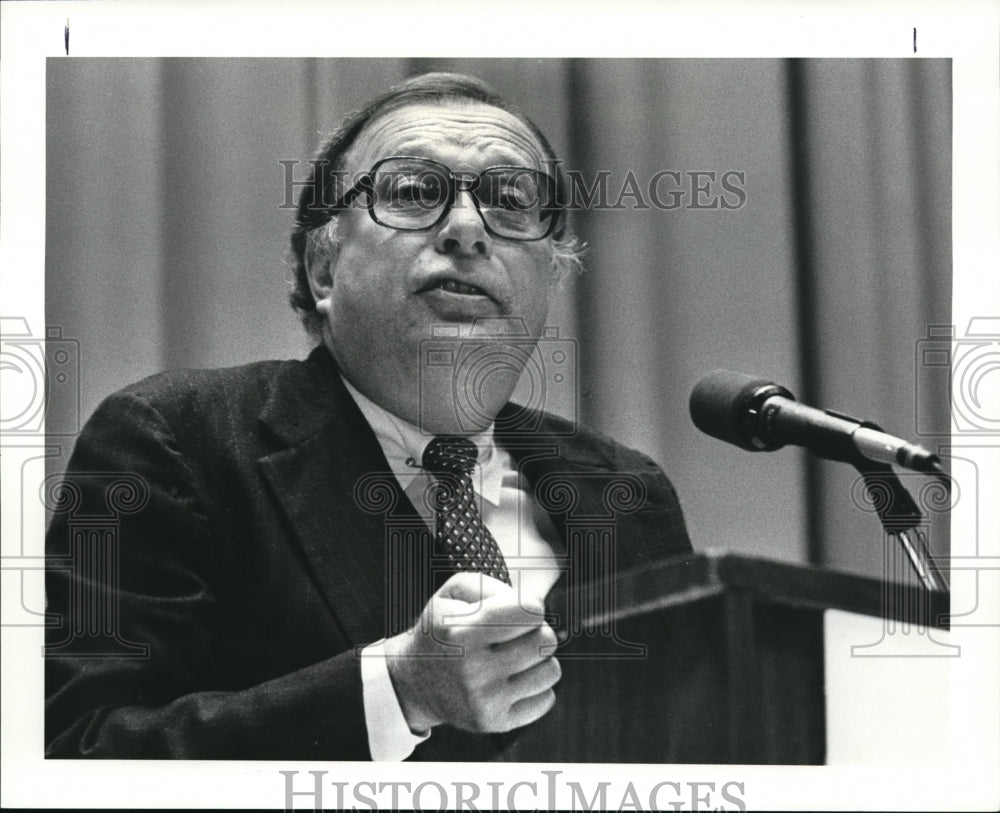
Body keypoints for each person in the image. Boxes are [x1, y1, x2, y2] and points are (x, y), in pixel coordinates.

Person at [44, 72, 692, 761]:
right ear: (324, 268)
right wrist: (398, 691)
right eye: (414, 193)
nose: (469, 230)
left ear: (551, 276)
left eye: (509, 202)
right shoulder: (173, 440)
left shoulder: (628, 491)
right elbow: (81, 750)